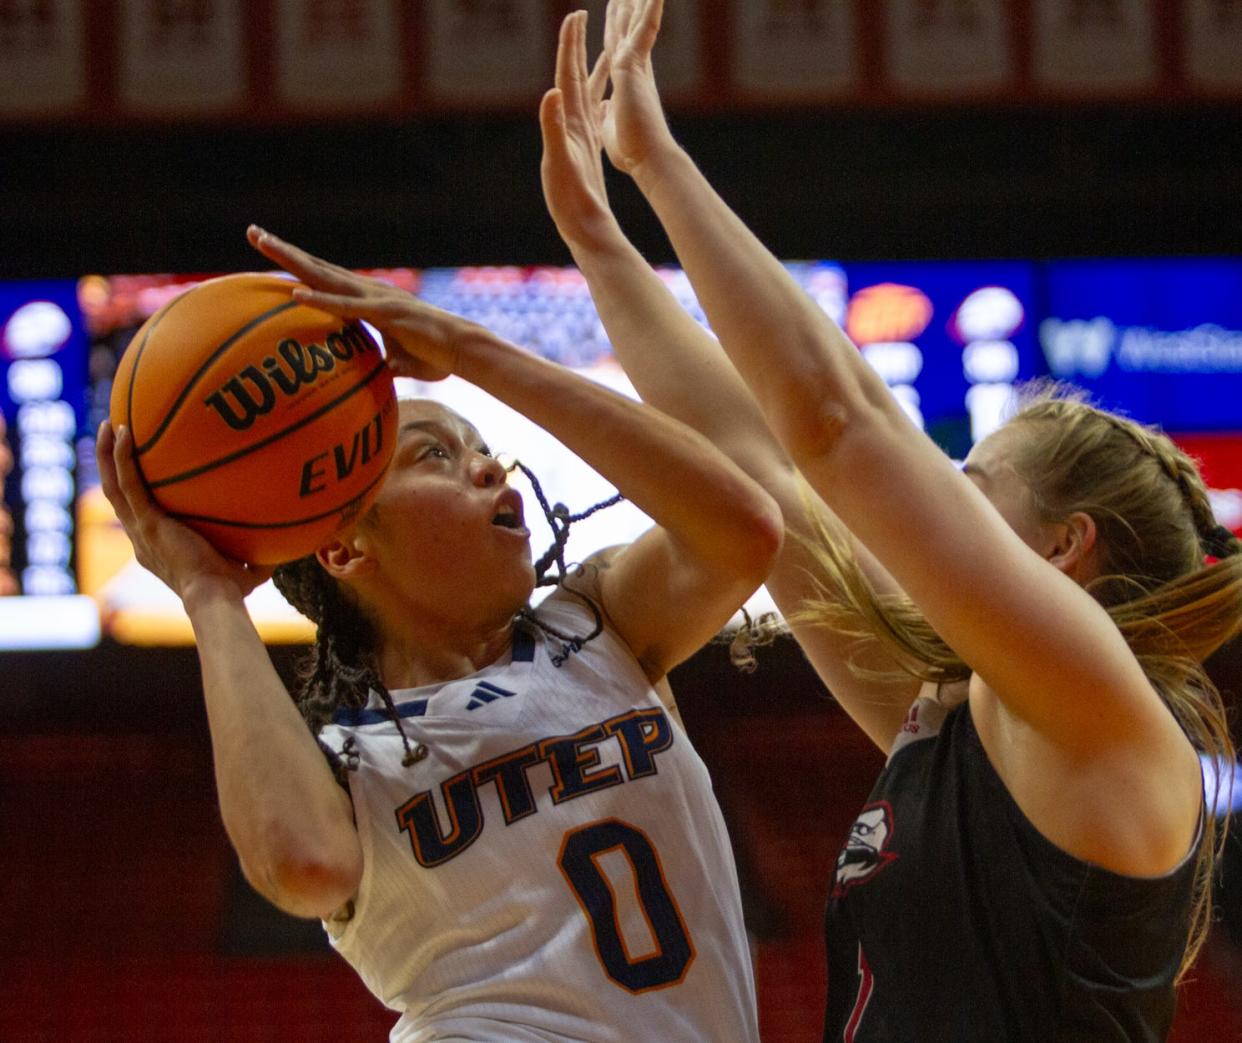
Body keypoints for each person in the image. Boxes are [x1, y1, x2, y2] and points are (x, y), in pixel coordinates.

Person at [538, 1, 1242, 1039]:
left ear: (1064, 547)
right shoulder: (959, 720)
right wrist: (599, 242)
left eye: (972, 479)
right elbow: (759, 465)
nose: (938, 499)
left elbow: (837, 423)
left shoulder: (1105, 708)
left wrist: (661, 166)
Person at [96, 222, 782, 1041]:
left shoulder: (595, 623)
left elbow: (743, 527)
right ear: (346, 545)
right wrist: (210, 594)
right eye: (436, 457)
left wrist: (472, 350)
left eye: (485, 449)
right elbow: (301, 863)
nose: (490, 468)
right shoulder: (349, 763)